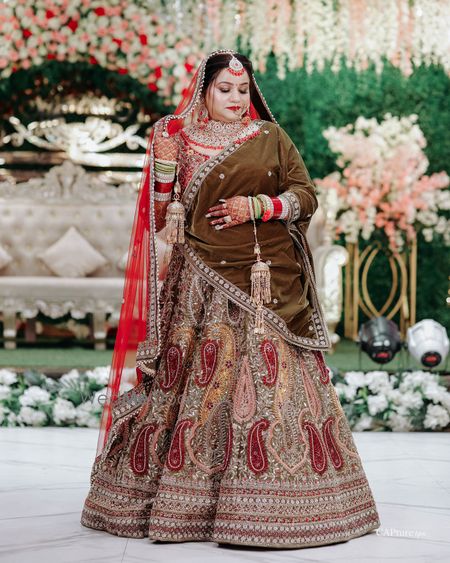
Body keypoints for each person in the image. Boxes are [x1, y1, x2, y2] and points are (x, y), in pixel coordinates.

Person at [81, 49, 381, 548]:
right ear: (204, 91)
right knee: (198, 385)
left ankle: (294, 502)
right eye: (225, 89)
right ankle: (188, 504)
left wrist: (257, 206)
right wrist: (163, 166)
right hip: (200, 282)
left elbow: (305, 195)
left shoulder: (270, 137)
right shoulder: (179, 137)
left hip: (266, 279)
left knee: (272, 383)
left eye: (243, 90)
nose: (236, 98)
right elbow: (161, 217)